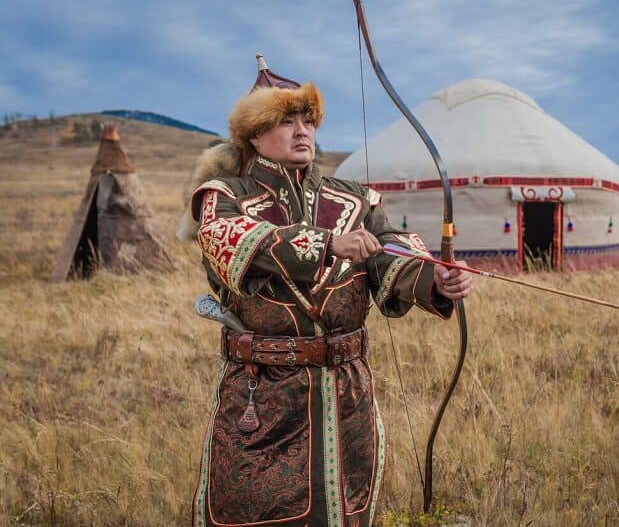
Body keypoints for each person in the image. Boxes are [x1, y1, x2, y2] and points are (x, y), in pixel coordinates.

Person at [181, 63, 472, 526]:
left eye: (309, 121)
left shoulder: (354, 199)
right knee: (250, 509)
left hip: (345, 390)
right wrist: (327, 243)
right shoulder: (225, 194)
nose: (303, 132)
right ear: (255, 136)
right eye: (287, 121)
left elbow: (389, 250)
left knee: (345, 511)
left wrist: (434, 278)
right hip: (263, 390)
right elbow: (229, 241)